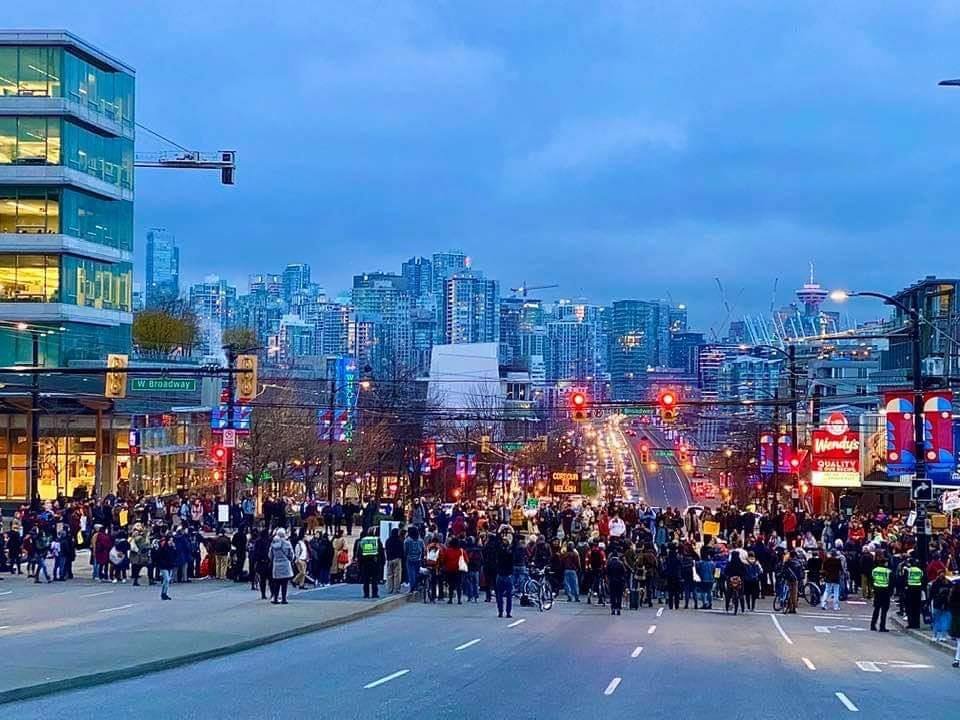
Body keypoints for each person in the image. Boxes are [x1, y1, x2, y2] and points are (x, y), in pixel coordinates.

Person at [358, 528, 385, 599]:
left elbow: (359, 552)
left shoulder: (363, 540)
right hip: (374, 562)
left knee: (366, 579)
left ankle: (366, 594)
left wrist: (359, 563)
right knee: (374, 579)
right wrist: (382, 561)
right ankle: (374, 593)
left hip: (365, 562)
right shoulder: (377, 540)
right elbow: (381, 552)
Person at [269, 528, 294, 604]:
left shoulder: (273, 544)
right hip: (285, 564)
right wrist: (291, 559)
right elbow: (291, 554)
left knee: (276, 583)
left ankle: (275, 598)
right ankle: (284, 599)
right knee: (284, 583)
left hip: (276, 564)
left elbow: (270, 555)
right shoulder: (287, 543)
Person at [495, 526, 516, 618]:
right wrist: (512, 531)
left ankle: (500, 611)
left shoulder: (499, 551)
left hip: (500, 575)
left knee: (499, 595)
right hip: (508, 576)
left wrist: (499, 531)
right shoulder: (511, 552)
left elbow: (497, 542)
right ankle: (508, 612)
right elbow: (515, 543)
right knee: (509, 596)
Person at [440, 537, 466, 605]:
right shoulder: (461, 551)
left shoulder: (447, 551)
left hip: (449, 570)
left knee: (451, 585)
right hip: (459, 570)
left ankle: (450, 599)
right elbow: (466, 560)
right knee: (459, 585)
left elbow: (443, 560)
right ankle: (459, 600)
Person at [870, 553, 892, 632]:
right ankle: (882, 626)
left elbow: (872, 579)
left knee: (876, 608)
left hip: (877, 590)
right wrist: (890, 591)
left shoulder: (875, 570)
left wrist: (873, 587)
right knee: (884, 609)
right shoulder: (888, 571)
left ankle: (873, 625)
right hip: (885, 590)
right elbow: (891, 582)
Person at [154, 532, 177, 600]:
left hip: (169, 565)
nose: (171, 542)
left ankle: (164, 593)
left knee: (166, 580)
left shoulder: (172, 548)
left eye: (172, 540)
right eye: (170, 540)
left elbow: (175, 555)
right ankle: (163, 593)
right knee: (167, 579)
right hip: (163, 565)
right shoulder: (163, 547)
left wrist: (174, 547)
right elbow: (159, 556)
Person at [931, 569, 952, 642]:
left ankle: (936, 635)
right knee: (942, 620)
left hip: (939, 604)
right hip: (943, 604)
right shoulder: (948, 583)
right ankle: (940, 636)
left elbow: (931, 594)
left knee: (938, 620)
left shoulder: (935, 583)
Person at [904, 555, 924, 629]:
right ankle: (917, 623)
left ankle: (911, 623)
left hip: (910, 589)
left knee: (910, 607)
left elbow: (905, 580)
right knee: (917, 607)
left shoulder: (908, 570)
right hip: (918, 589)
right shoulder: (920, 570)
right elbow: (922, 579)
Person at [404, 526, 425, 594]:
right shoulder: (420, 540)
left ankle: (412, 587)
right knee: (417, 573)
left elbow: (405, 550)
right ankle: (417, 586)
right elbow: (423, 549)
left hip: (409, 558)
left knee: (411, 573)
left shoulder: (407, 540)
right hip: (418, 559)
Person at [607, 550, 627, 616]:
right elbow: (624, 572)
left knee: (612, 595)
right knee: (619, 595)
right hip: (619, 581)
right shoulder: (620, 563)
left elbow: (606, 572)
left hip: (611, 581)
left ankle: (613, 609)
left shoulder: (609, 563)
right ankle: (618, 609)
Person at [385, 527, 404, 594]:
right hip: (397, 559)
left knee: (389, 575)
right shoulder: (399, 541)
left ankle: (390, 588)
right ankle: (396, 589)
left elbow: (386, 549)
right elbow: (402, 550)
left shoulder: (388, 540)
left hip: (390, 559)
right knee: (397, 575)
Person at [948, 580, 960, 667]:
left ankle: (957, 659)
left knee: (959, 641)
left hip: (957, 616)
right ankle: (957, 659)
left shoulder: (955, 589)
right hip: (957, 616)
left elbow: (951, 603)